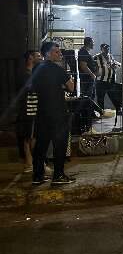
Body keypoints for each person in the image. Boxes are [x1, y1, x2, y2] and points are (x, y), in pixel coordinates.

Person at [30, 42, 76, 185]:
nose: (60, 54)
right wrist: (61, 85)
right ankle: (58, 175)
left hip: (42, 112)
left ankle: (37, 176)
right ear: (48, 53)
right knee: (60, 145)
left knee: (41, 145)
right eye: (56, 52)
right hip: (58, 112)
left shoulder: (36, 68)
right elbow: (71, 86)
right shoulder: (57, 69)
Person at [15, 50, 42, 173]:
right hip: (29, 110)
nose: (40, 57)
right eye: (37, 56)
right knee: (31, 138)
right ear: (31, 58)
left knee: (29, 137)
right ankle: (34, 163)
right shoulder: (26, 75)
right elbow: (31, 90)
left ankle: (30, 163)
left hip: (32, 109)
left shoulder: (31, 73)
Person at [94, 44, 121, 110]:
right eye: (105, 48)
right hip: (100, 81)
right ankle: (101, 112)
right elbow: (92, 67)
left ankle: (119, 109)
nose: (107, 50)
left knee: (114, 96)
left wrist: (115, 66)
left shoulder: (110, 56)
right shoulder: (96, 57)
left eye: (108, 49)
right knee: (100, 98)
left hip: (110, 81)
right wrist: (95, 72)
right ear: (101, 49)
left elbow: (117, 64)